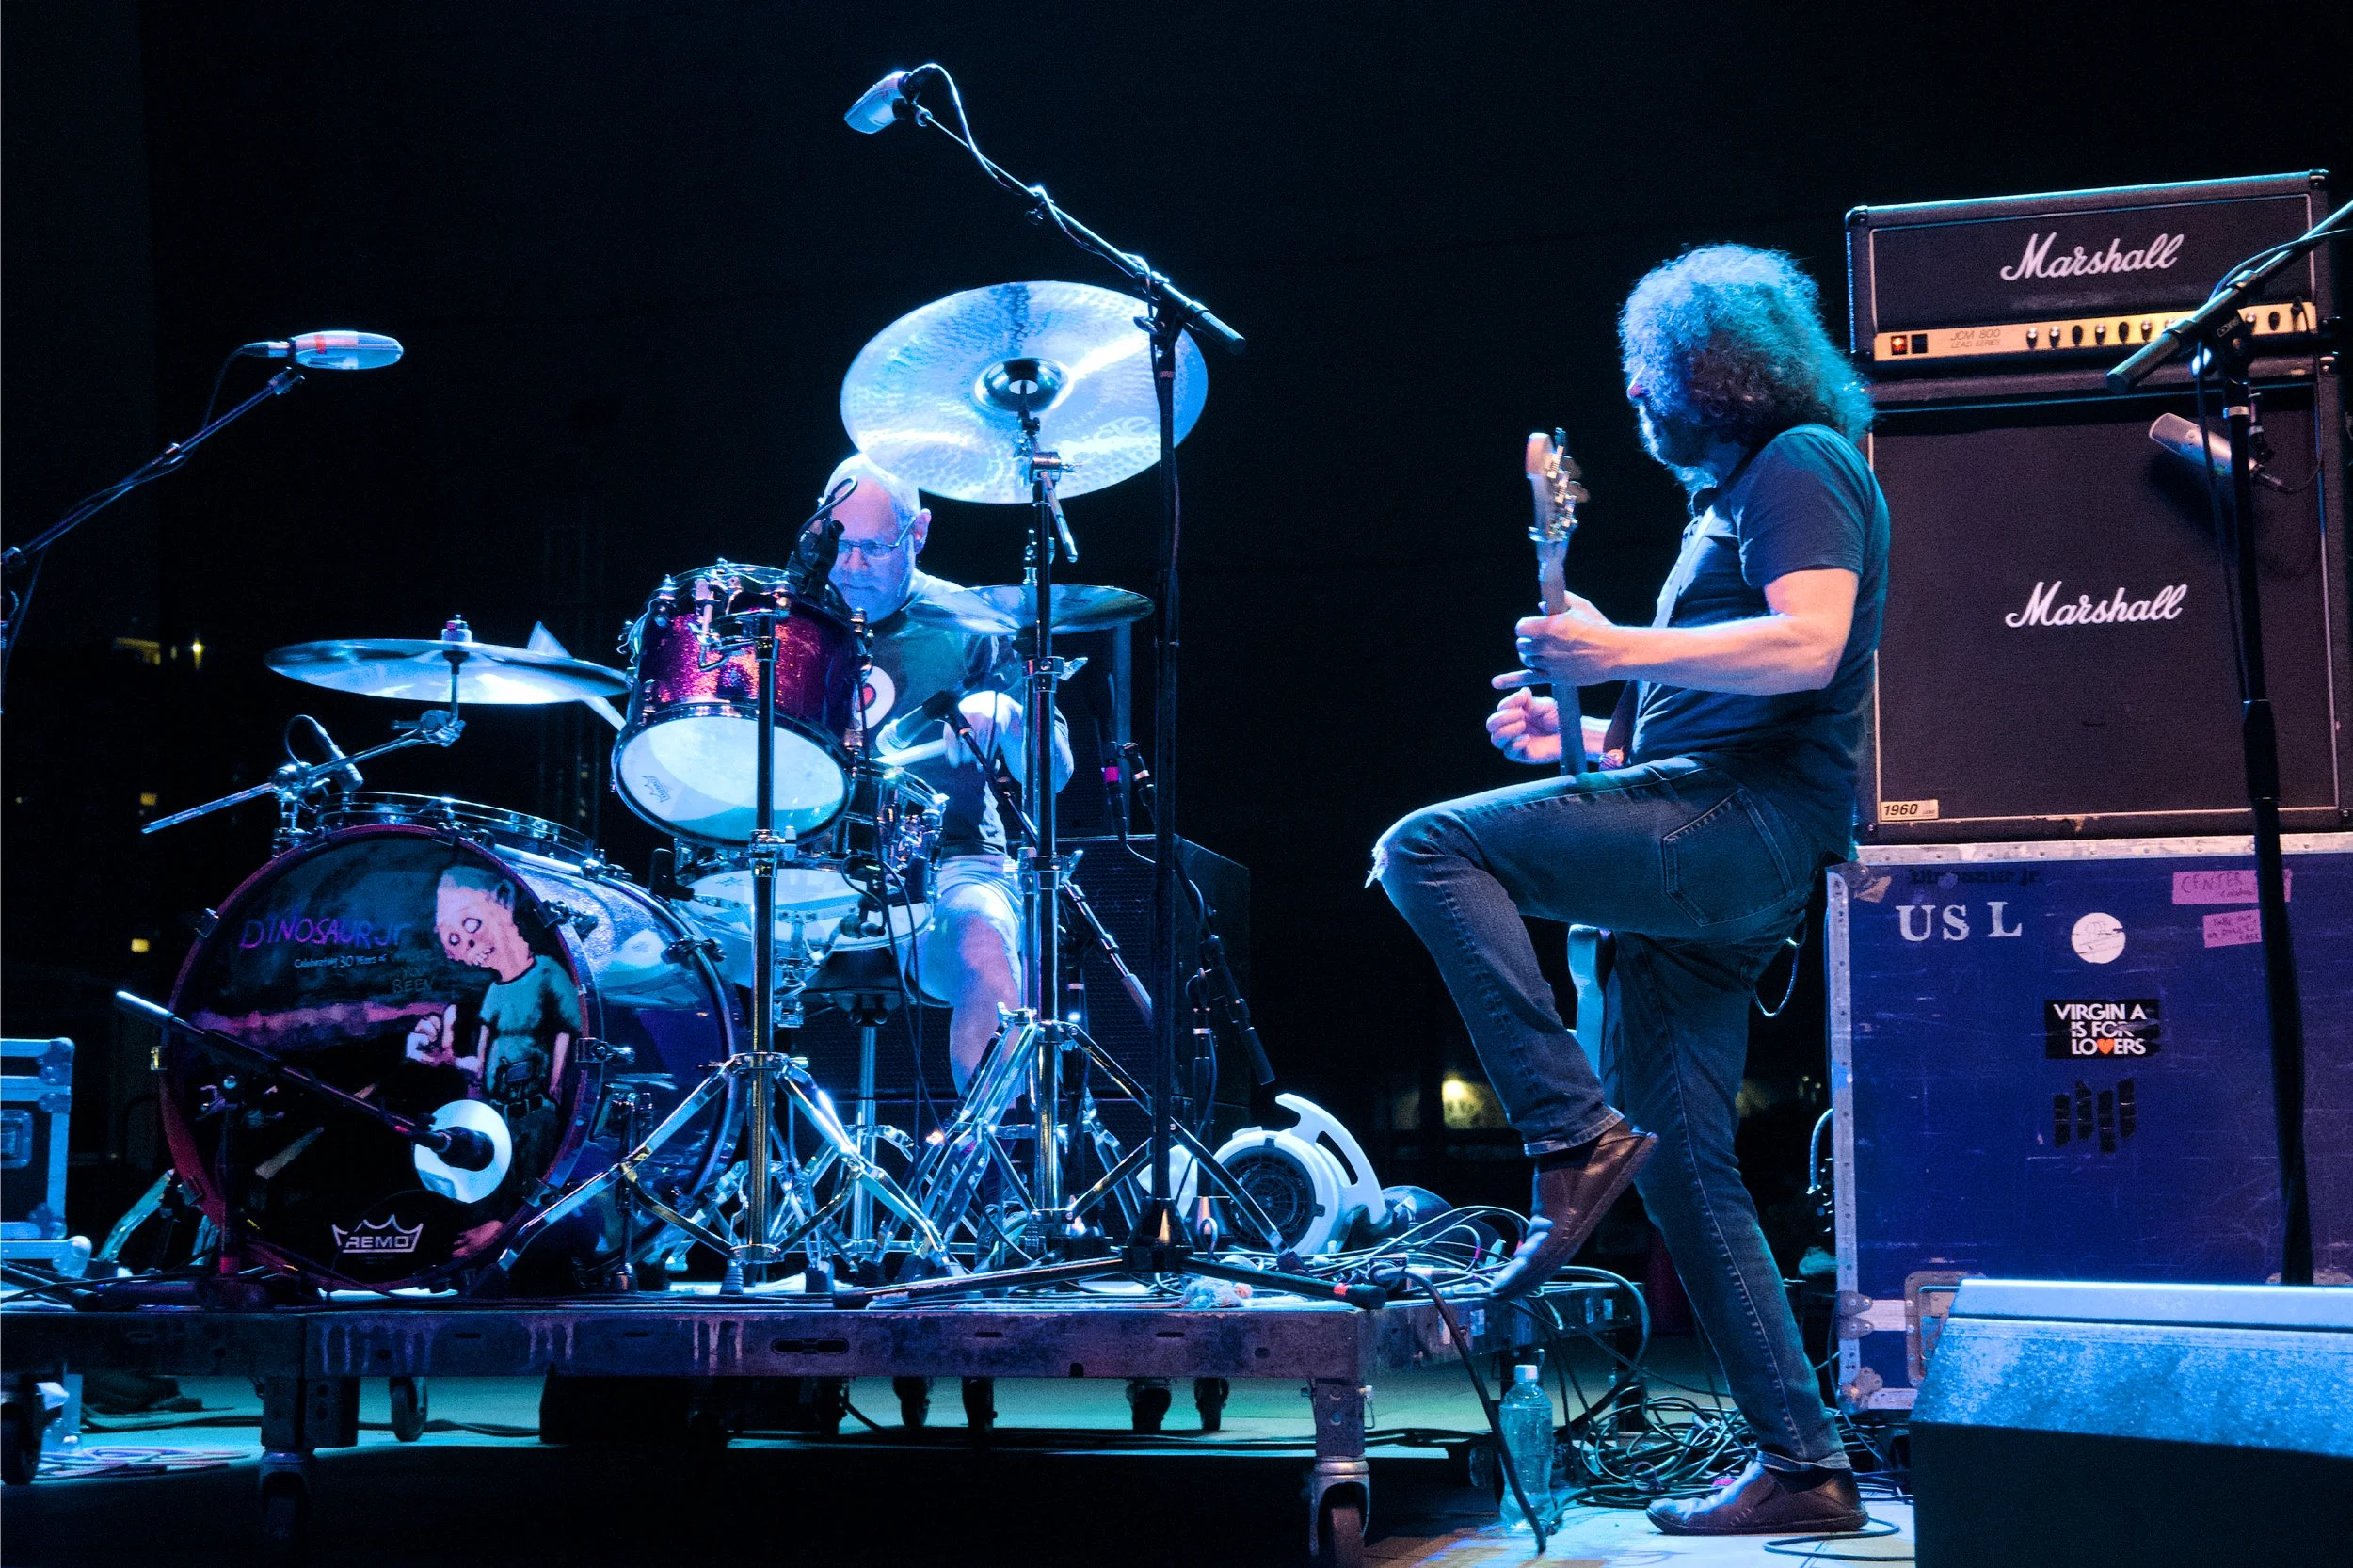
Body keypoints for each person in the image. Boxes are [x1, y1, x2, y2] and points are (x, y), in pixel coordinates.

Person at [1373, 246, 1887, 1537]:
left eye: (1647, 370)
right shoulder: (1732, 494)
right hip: (1708, 818)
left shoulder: (1801, 467)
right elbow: (1719, 703)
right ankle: (1806, 1462)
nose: (1638, 396)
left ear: (1712, 369)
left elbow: (1812, 640)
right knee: (1687, 1174)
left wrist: (1612, 647)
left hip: (1746, 830)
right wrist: (1592, 745)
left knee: (1425, 847)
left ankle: (1562, 1126)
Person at [810, 452, 1073, 1090]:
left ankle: (990, 1179)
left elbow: (1056, 774)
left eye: (874, 549)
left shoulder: (972, 625)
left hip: (949, 863)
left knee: (987, 958)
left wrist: (1009, 715)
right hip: (803, 862)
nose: (852, 567)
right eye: (839, 545)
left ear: (919, 533)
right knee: (666, 964)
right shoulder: (787, 620)